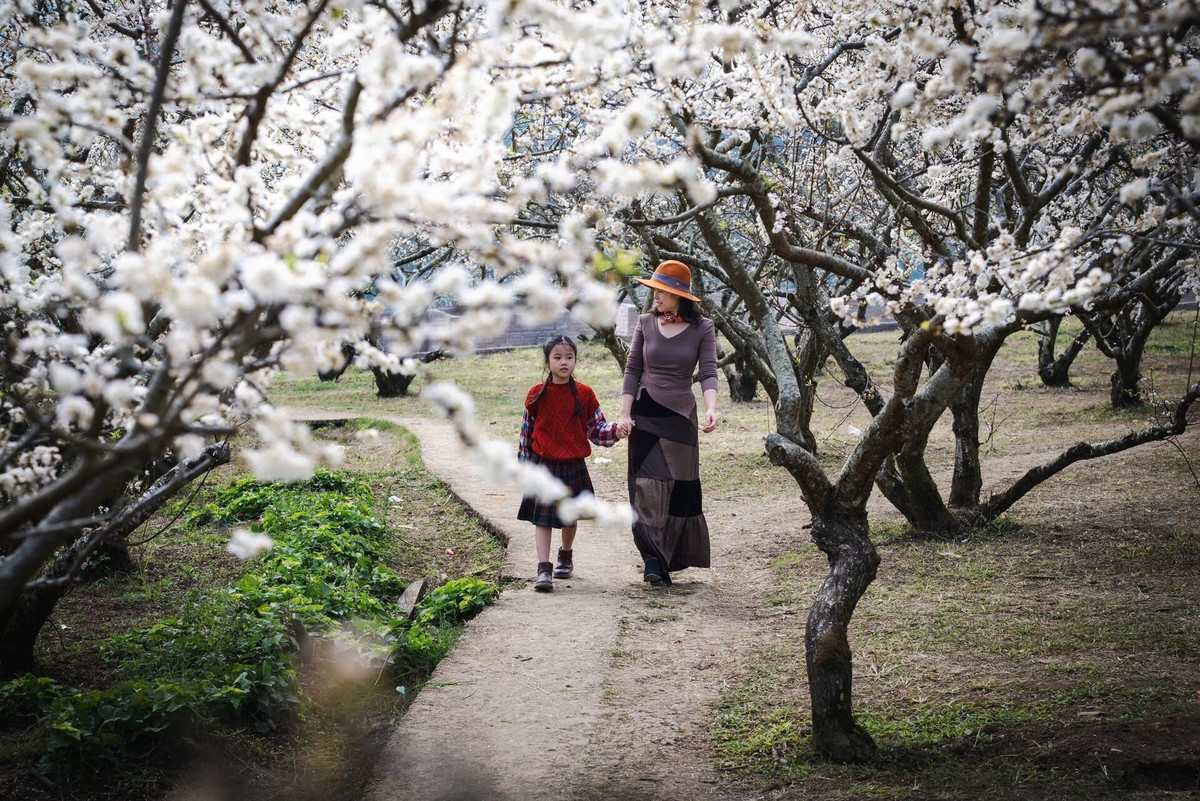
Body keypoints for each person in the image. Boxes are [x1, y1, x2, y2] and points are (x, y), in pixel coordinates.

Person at [619, 259, 719, 586]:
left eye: (661, 291)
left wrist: (710, 409)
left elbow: (707, 372)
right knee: (646, 487)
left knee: (679, 489)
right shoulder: (646, 322)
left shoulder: (703, 328)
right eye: (654, 291)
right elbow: (632, 369)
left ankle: (669, 557)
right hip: (645, 412)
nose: (655, 297)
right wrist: (624, 413)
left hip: (681, 418)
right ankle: (651, 559)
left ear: (679, 295)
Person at [518, 335, 625, 591]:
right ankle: (544, 569)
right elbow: (526, 432)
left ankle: (565, 556)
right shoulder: (536, 395)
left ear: (575, 361)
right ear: (548, 362)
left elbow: (596, 428)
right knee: (542, 519)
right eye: (557, 357)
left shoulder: (585, 394)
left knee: (570, 516)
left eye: (569, 357)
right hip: (543, 465)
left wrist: (617, 431)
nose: (563, 362)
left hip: (573, 464)